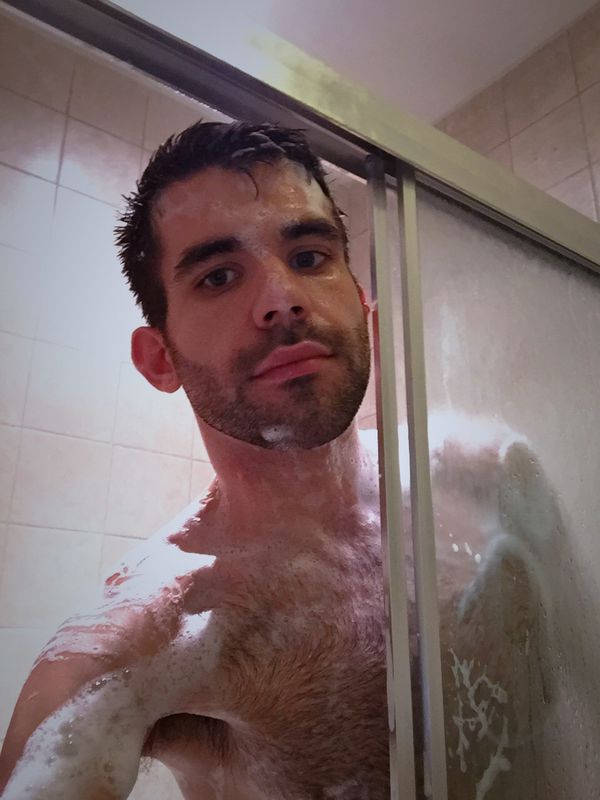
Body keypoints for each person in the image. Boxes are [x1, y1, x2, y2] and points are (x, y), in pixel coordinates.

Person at [0, 121, 553, 800]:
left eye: (311, 256)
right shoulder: (146, 636)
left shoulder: (491, 475)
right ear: (160, 359)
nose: (282, 299)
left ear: (363, 307)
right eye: (219, 275)